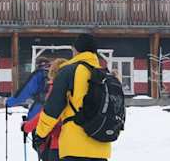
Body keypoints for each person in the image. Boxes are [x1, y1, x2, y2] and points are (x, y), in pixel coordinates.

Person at [36, 33, 113, 161]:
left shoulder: (68, 71)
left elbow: (53, 108)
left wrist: (40, 134)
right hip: (101, 147)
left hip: (74, 148)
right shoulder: (104, 74)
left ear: (75, 50)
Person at [21, 57, 66, 161]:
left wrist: (27, 127)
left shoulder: (56, 88)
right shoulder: (77, 86)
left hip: (57, 142)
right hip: (79, 144)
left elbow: (47, 114)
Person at [7, 57, 53, 154]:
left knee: (40, 147)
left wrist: (9, 102)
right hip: (57, 116)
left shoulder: (38, 74)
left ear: (38, 65)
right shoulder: (57, 73)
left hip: (38, 114)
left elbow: (25, 92)